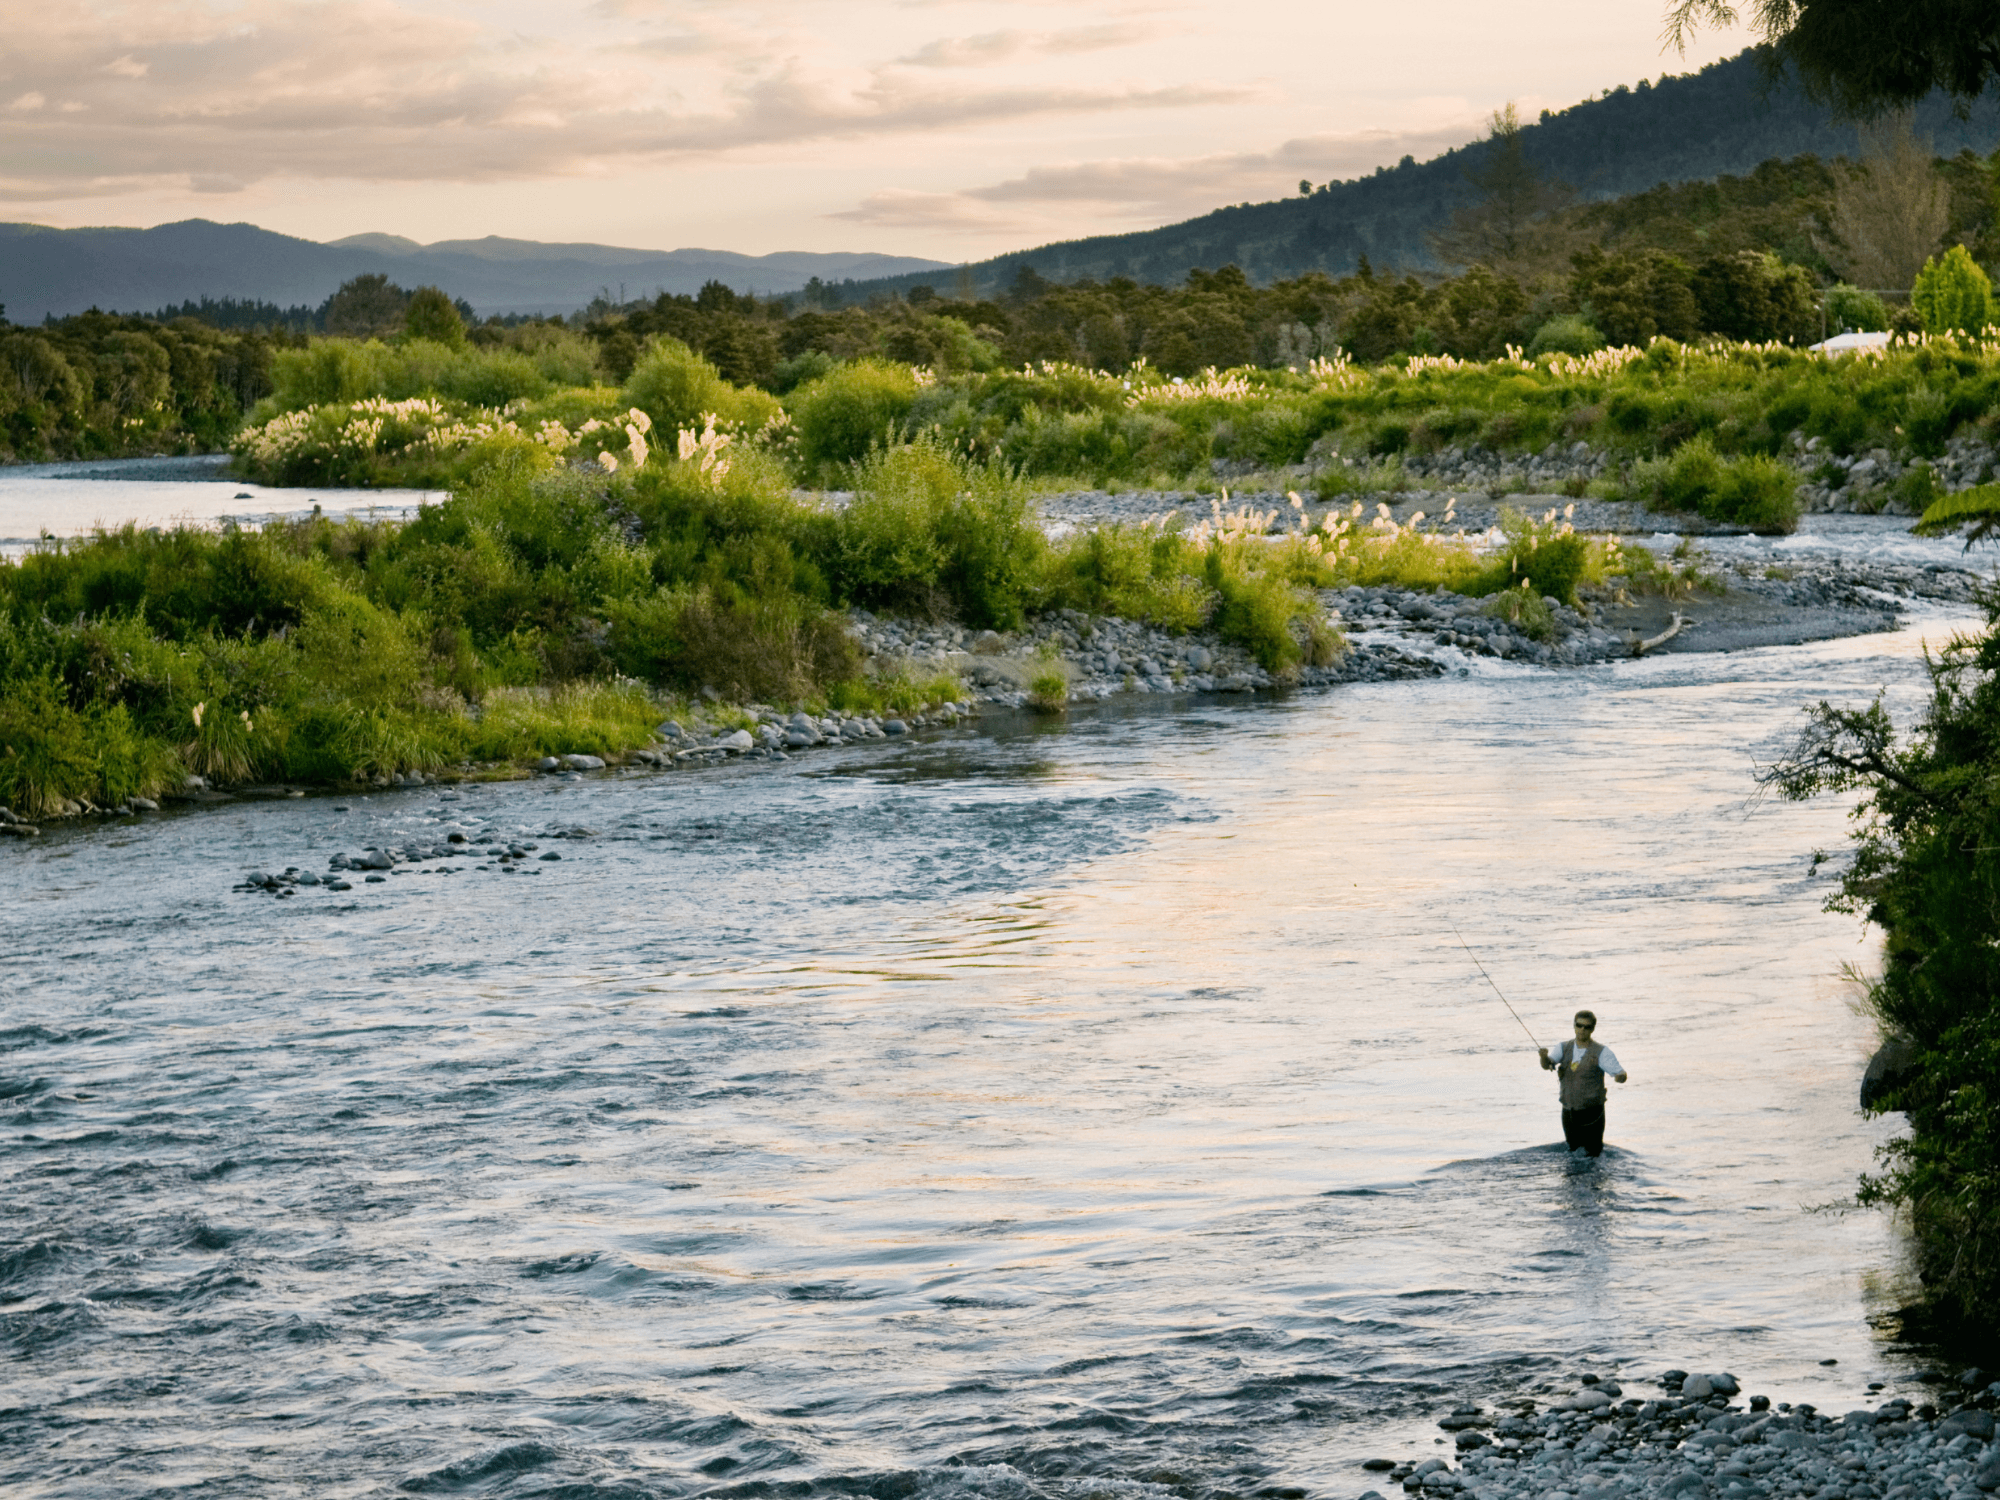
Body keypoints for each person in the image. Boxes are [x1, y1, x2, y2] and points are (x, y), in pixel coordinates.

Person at [1538, 1010, 1628, 1157]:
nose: (1582, 1030)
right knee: (1573, 1151)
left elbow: (1621, 1073)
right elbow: (1547, 1064)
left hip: (1593, 1114)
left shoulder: (1602, 1052)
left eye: (1587, 1027)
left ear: (1592, 1029)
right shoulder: (1562, 1047)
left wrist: (1620, 1077)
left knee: (1593, 1154)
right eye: (1579, 1025)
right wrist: (1543, 1057)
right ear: (1574, 1026)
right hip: (1568, 1112)